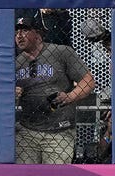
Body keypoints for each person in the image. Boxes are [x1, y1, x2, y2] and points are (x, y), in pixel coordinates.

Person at [14, 17, 96, 164]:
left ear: (38, 35)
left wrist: (70, 97)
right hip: (27, 132)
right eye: (17, 31)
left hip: (59, 132)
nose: (19, 35)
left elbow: (88, 81)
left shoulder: (61, 52)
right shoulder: (16, 63)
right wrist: (13, 94)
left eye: (25, 30)